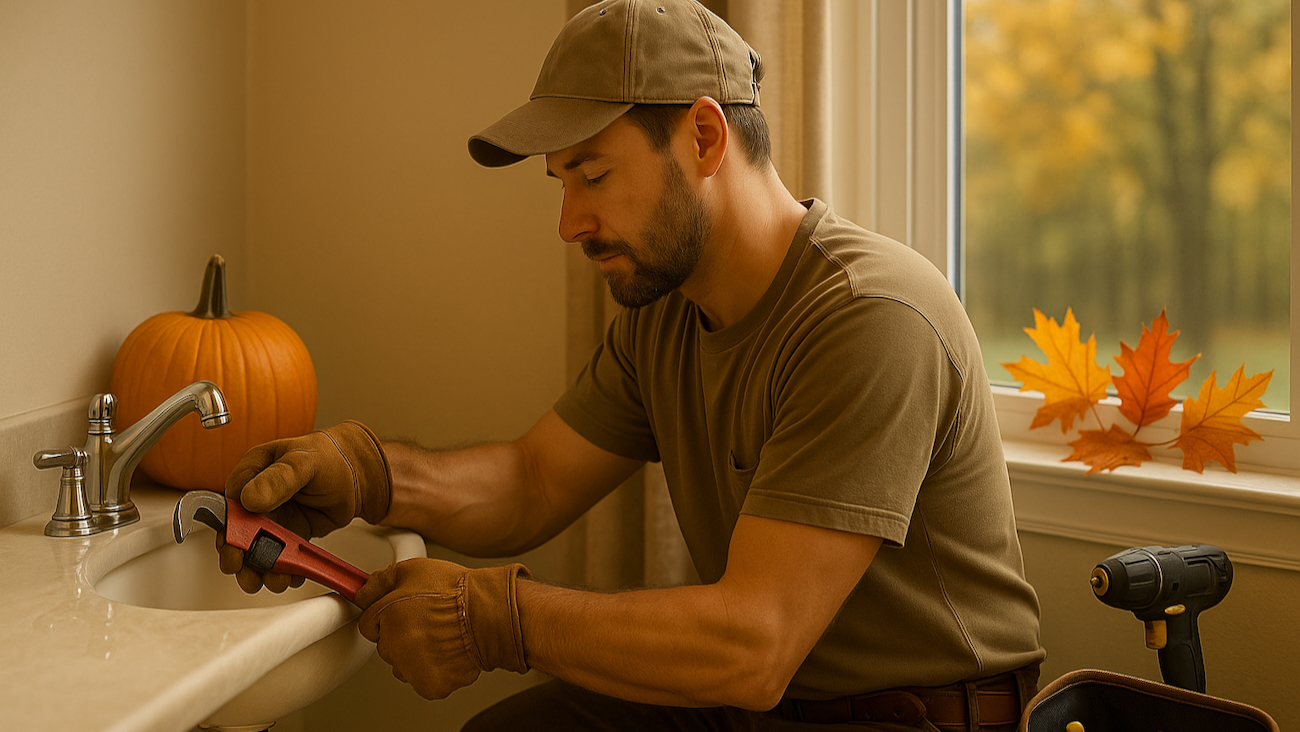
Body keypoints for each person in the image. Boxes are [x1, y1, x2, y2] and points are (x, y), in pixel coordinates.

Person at [218, 1, 1046, 729]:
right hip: (760, 705)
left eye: (594, 175)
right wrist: (367, 476)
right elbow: (533, 480)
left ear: (705, 136)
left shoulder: (868, 317)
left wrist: (499, 619)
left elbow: (754, 642)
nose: (569, 222)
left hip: (911, 718)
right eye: (559, 182)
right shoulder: (669, 316)